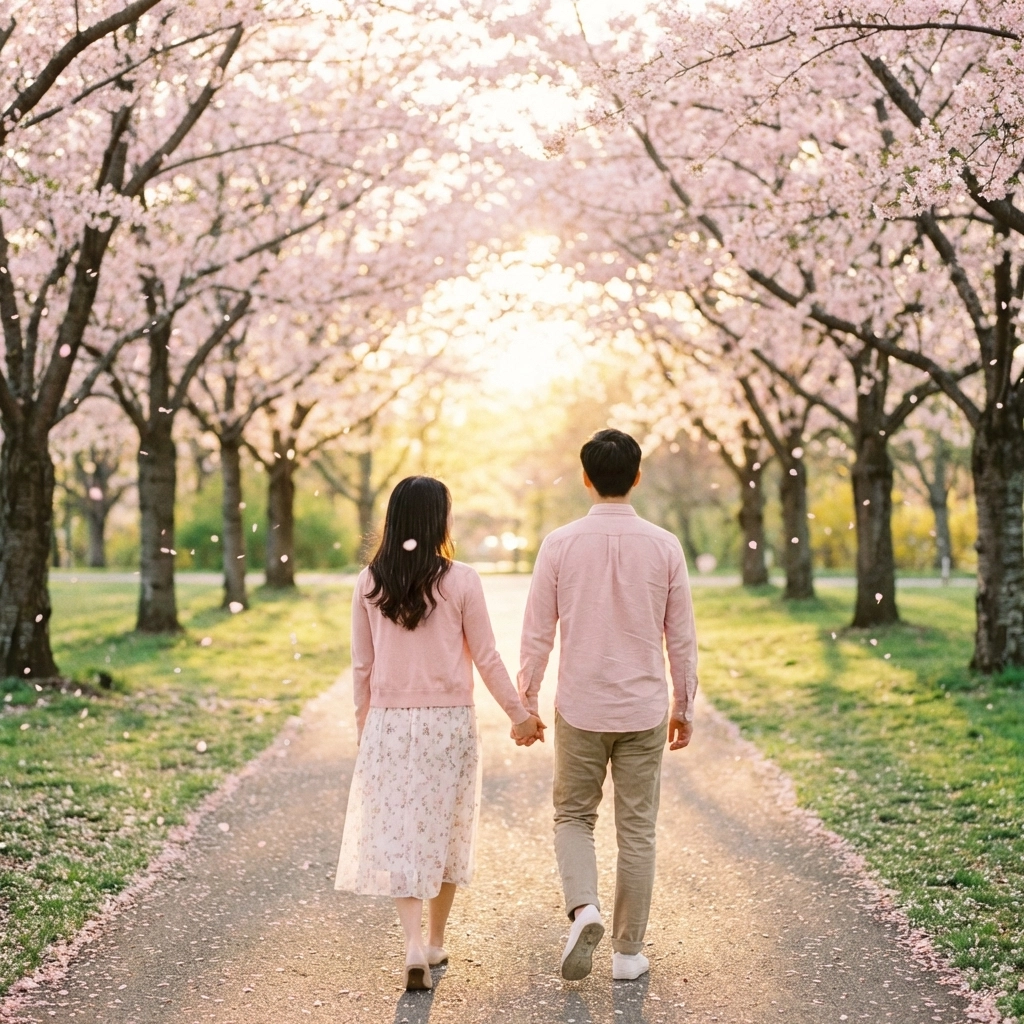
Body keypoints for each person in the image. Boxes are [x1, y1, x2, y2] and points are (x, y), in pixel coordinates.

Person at [336, 476, 545, 991]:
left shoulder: (368, 582)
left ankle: (411, 944)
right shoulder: (461, 581)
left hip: (388, 722)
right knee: (444, 830)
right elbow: (488, 656)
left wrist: (365, 727)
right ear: (439, 521)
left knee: (401, 833)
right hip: (448, 724)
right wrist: (519, 714)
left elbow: (361, 667)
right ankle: (433, 940)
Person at [516, 428, 698, 982]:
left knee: (574, 816)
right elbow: (681, 636)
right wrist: (683, 703)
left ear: (586, 478)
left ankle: (584, 909)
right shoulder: (665, 545)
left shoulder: (560, 544)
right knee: (637, 828)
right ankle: (626, 953)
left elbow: (536, 633)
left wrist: (526, 700)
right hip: (642, 709)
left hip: (581, 706)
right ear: (637, 477)